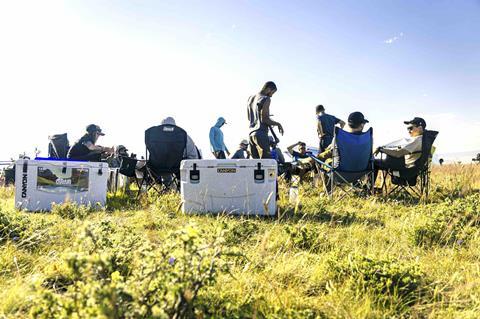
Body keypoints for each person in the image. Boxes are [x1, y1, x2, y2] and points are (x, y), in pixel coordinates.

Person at [247, 81, 284, 159]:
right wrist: (278, 124)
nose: (271, 95)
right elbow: (265, 119)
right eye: (272, 93)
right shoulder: (265, 98)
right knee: (266, 163)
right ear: (268, 89)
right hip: (261, 134)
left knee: (256, 165)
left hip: (251, 134)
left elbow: (249, 118)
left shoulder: (251, 98)